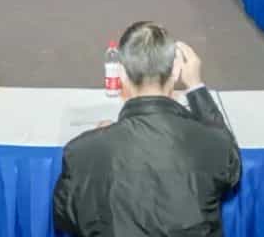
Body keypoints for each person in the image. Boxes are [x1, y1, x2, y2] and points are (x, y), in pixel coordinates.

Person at [53, 22, 240, 236]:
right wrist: (196, 86)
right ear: (176, 70)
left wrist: (101, 139)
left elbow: (65, 216)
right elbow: (232, 165)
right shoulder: (212, 145)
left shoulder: (82, 151)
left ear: (121, 73)